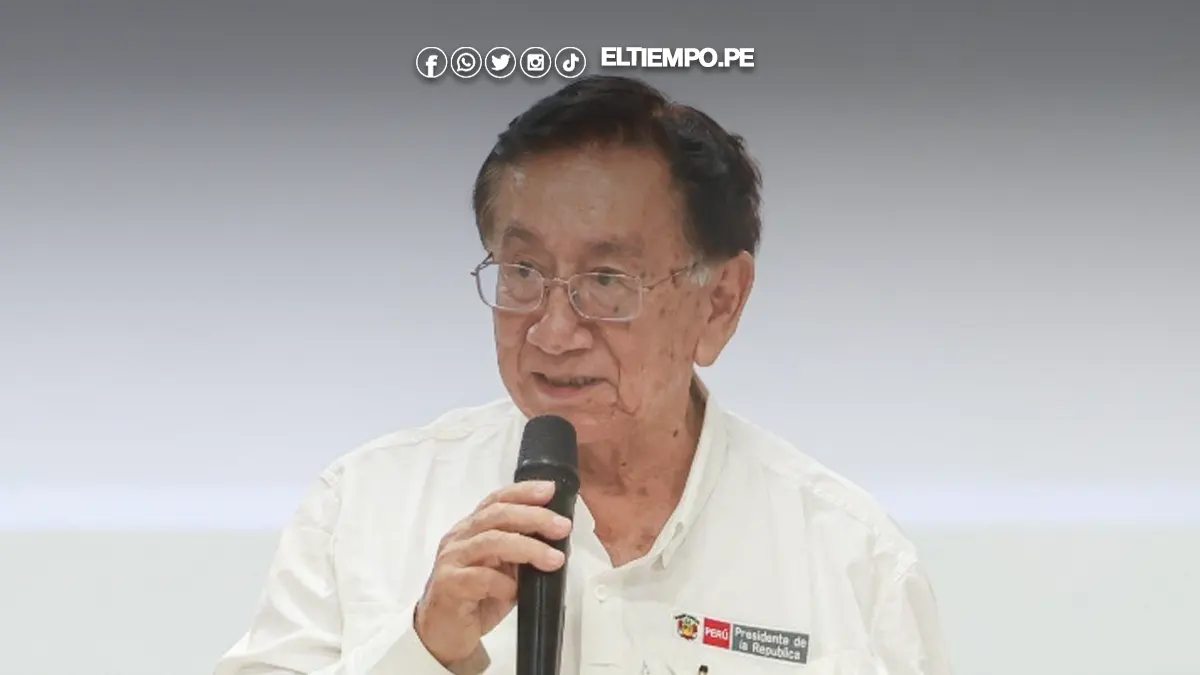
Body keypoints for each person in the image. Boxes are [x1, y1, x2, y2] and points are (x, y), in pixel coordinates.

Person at [214, 75, 952, 675]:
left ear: (720, 301)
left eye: (606, 281)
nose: (551, 332)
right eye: (523, 271)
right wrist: (423, 653)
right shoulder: (365, 508)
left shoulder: (851, 558)